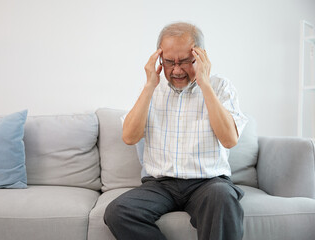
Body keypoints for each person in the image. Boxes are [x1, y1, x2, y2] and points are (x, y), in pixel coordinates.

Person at [104, 22, 248, 240]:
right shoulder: (152, 88)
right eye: (170, 62)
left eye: (185, 62)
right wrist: (150, 86)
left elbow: (229, 140)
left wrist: (204, 84)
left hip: (208, 182)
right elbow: (129, 137)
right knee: (118, 211)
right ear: (159, 58)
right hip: (160, 184)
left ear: (200, 57)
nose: (177, 70)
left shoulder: (220, 86)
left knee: (223, 198)